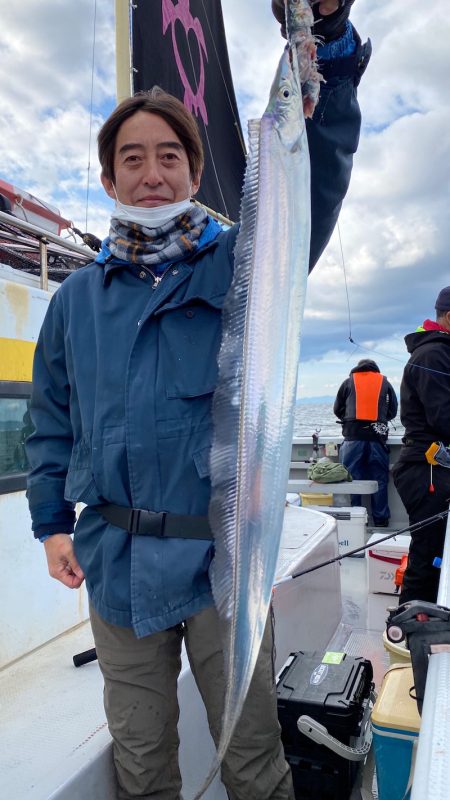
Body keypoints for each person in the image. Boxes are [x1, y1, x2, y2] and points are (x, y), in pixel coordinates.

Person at [26, 3, 370, 798]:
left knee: (253, 761)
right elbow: (51, 421)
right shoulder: (75, 301)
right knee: (143, 767)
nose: (153, 173)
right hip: (115, 570)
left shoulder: (243, 262)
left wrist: (330, 52)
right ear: (109, 178)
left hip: (223, 565)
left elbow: (311, 173)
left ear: (193, 168)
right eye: (133, 159)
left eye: (171, 156)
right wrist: (50, 526)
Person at [392, 288, 450, 605]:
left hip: (434, 467)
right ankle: (408, 633)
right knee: (428, 557)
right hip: (425, 470)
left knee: (436, 553)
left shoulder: (441, 353)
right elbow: (444, 417)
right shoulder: (433, 355)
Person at [334, 359, 398, 526]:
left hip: (353, 437)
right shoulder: (385, 382)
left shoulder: (348, 382)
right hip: (377, 438)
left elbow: (337, 409)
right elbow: (393, 410)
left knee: (352, 479)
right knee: (379, 480)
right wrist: (380, 420)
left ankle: (356, 520)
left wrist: (349, 420)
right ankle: (381, 521)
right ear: (375, 370)